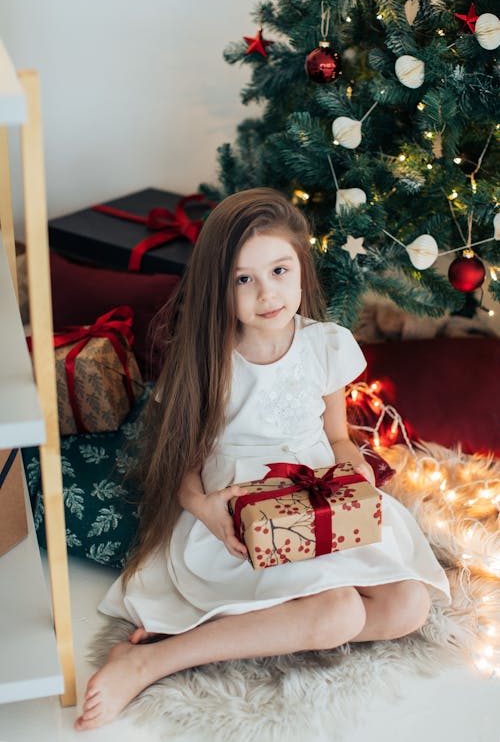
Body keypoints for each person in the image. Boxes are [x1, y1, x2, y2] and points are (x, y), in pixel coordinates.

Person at [75, 188, 450, 731]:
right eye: (243, 279)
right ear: (218, 288)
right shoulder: (208, 359)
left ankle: (279, 623)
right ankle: (150, 659)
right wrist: (203, 507)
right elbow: (183, 466)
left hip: (317, 498)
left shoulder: (326, 344)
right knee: (340, 611)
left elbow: (338, 438)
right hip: (241, 512)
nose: (266, 293)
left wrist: (355, 468)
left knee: (408, 606)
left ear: (301, 268)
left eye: (278, 270)